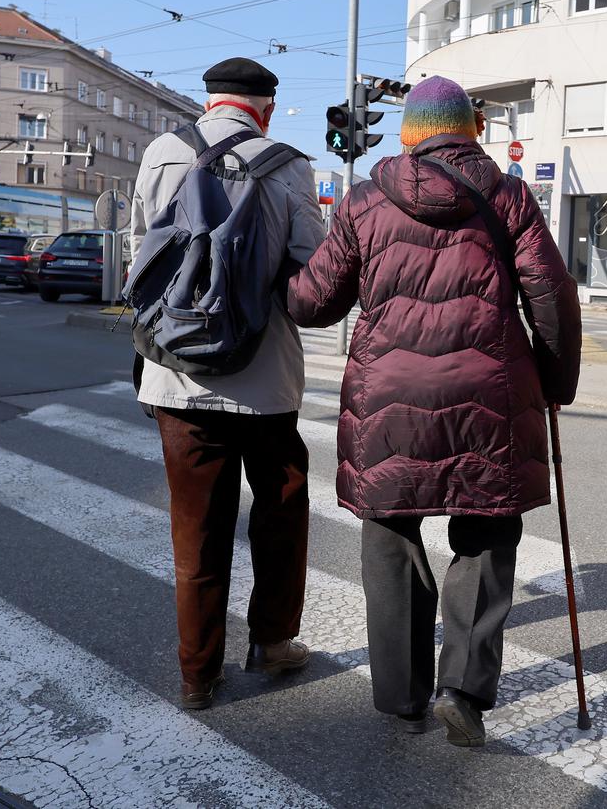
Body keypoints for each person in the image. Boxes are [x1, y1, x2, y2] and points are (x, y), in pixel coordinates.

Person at [288, 76, 582, 745]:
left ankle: (401, 694)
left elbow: (315, 301)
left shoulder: (365, 202)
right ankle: (463, 691)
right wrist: (555, 382)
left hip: (389, 397)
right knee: (485, 535)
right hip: (489, 393)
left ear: (410, 135)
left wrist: (280, 283)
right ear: (470, 130)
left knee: (390, 535)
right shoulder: (507, 196)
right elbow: (552, 294)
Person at [129, 58, 325, 711]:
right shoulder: (288, 164)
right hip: (265, 381)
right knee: (280, 513)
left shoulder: (161, 152)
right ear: (264, 108)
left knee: (197, 527)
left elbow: (141, 264)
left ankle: (196, 676)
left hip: (177, 378)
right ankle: (272, 642)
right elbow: (311, 279)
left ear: (210, 102)